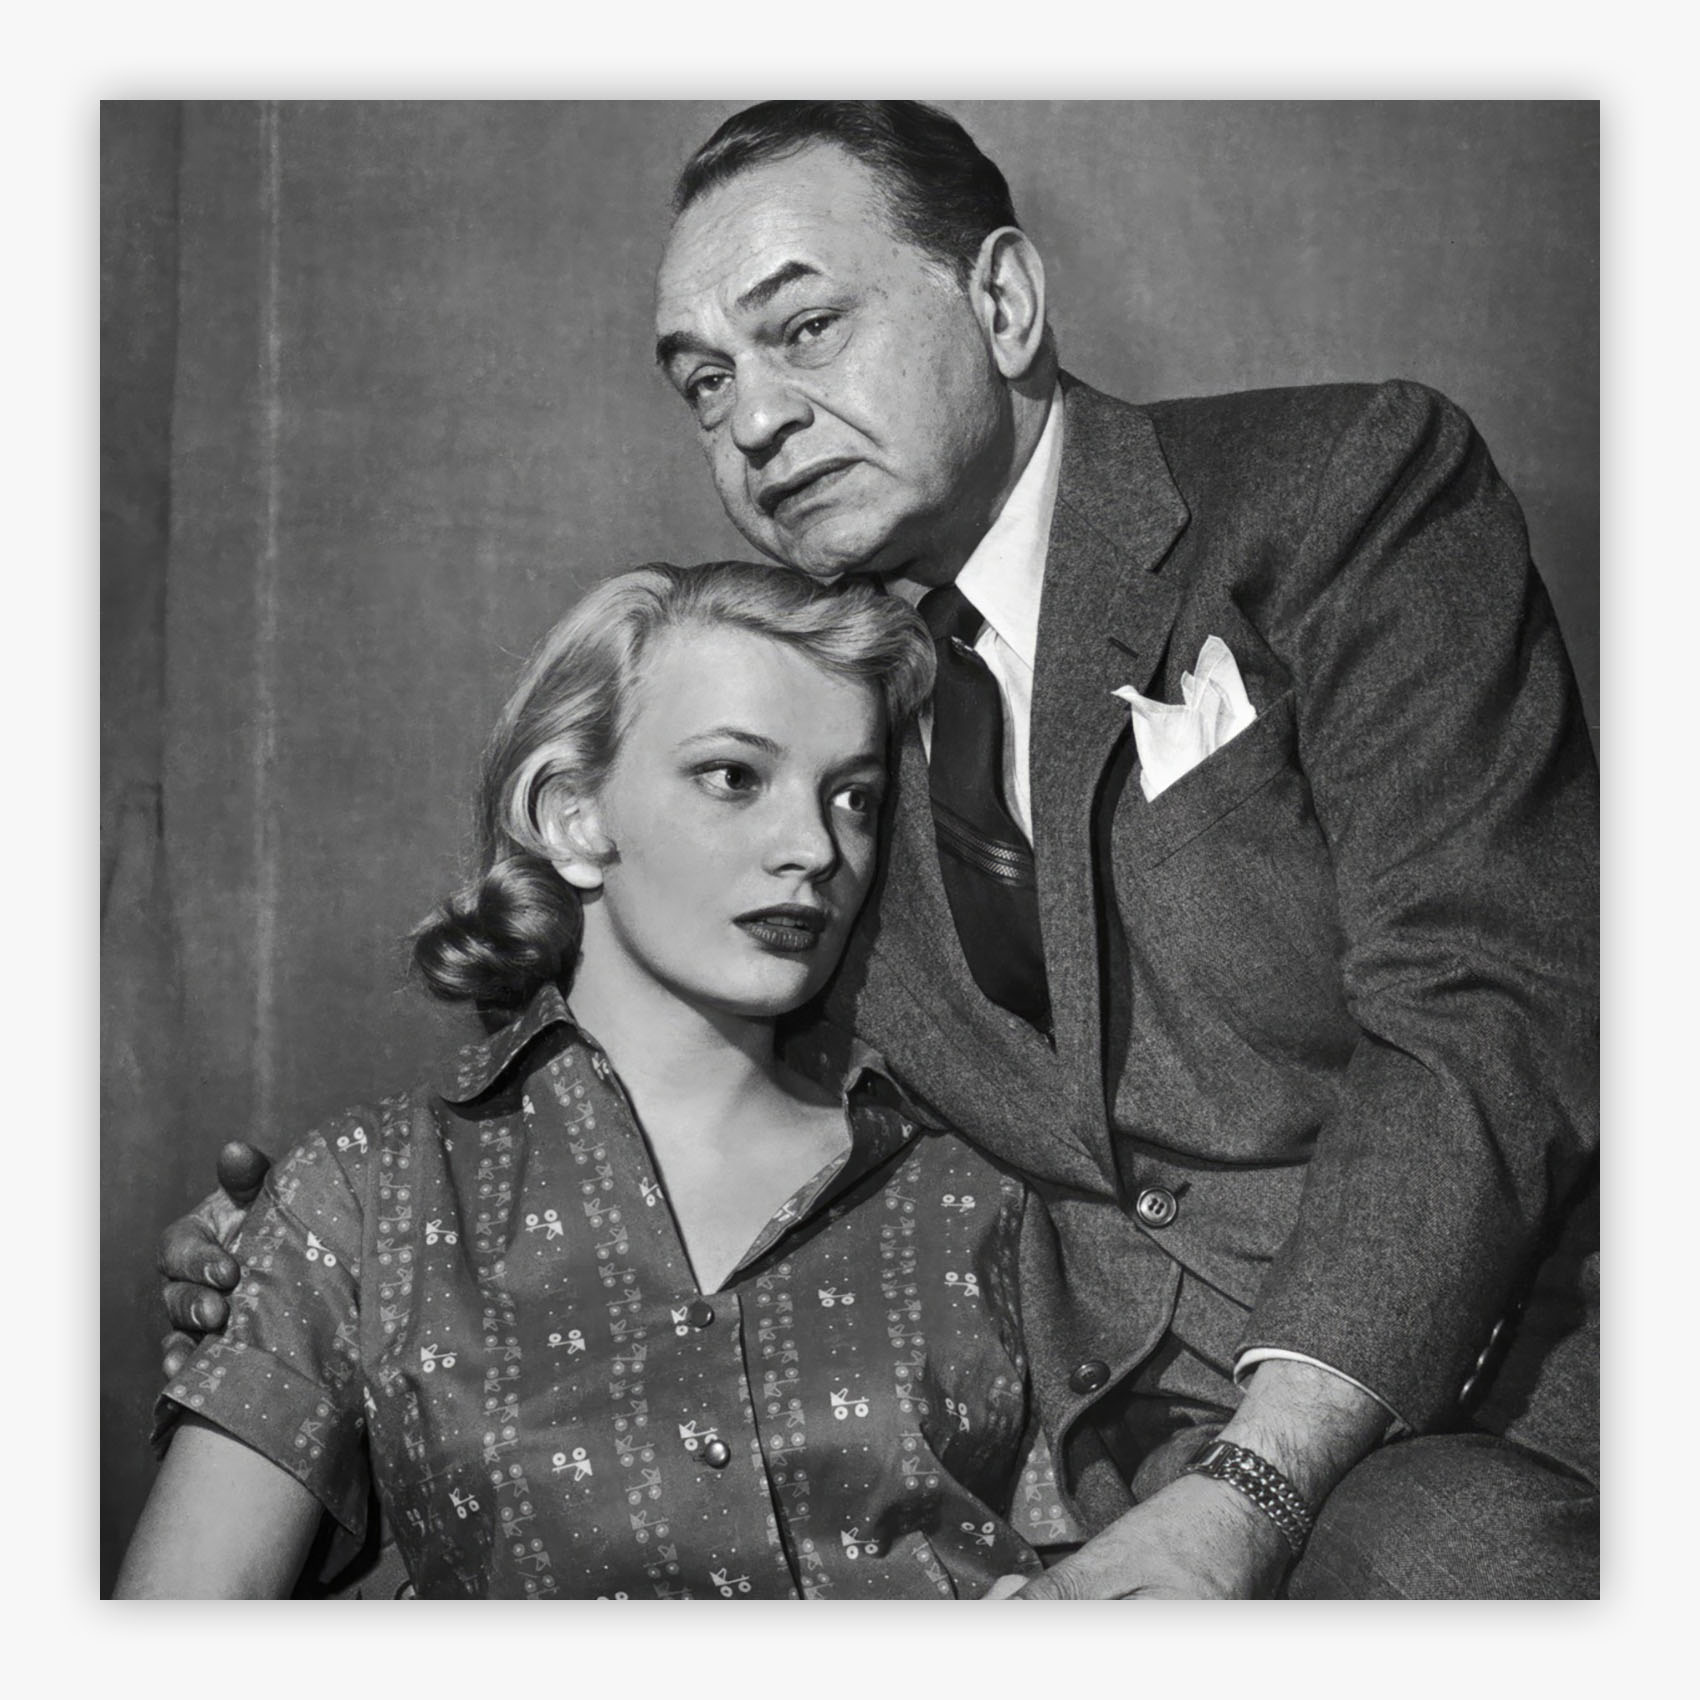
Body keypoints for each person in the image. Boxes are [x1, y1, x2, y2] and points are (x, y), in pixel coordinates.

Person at [156, 102, 1599, 1598]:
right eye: (706, 380)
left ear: (1003, 301)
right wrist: (321, 1260)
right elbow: (641, 1030)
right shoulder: (831, 724)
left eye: (806, 329)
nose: (753, 421)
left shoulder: (1342, 486)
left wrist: (1257, 1480)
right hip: (1081, 1518)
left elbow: (1488, 1006)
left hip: (1462, 1412)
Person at [119, 560, 1074, 1599]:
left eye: (851, 797)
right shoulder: (368, 1194)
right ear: (573, 813)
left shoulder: (979, 1191)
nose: (812, 848)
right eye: (733, 776)